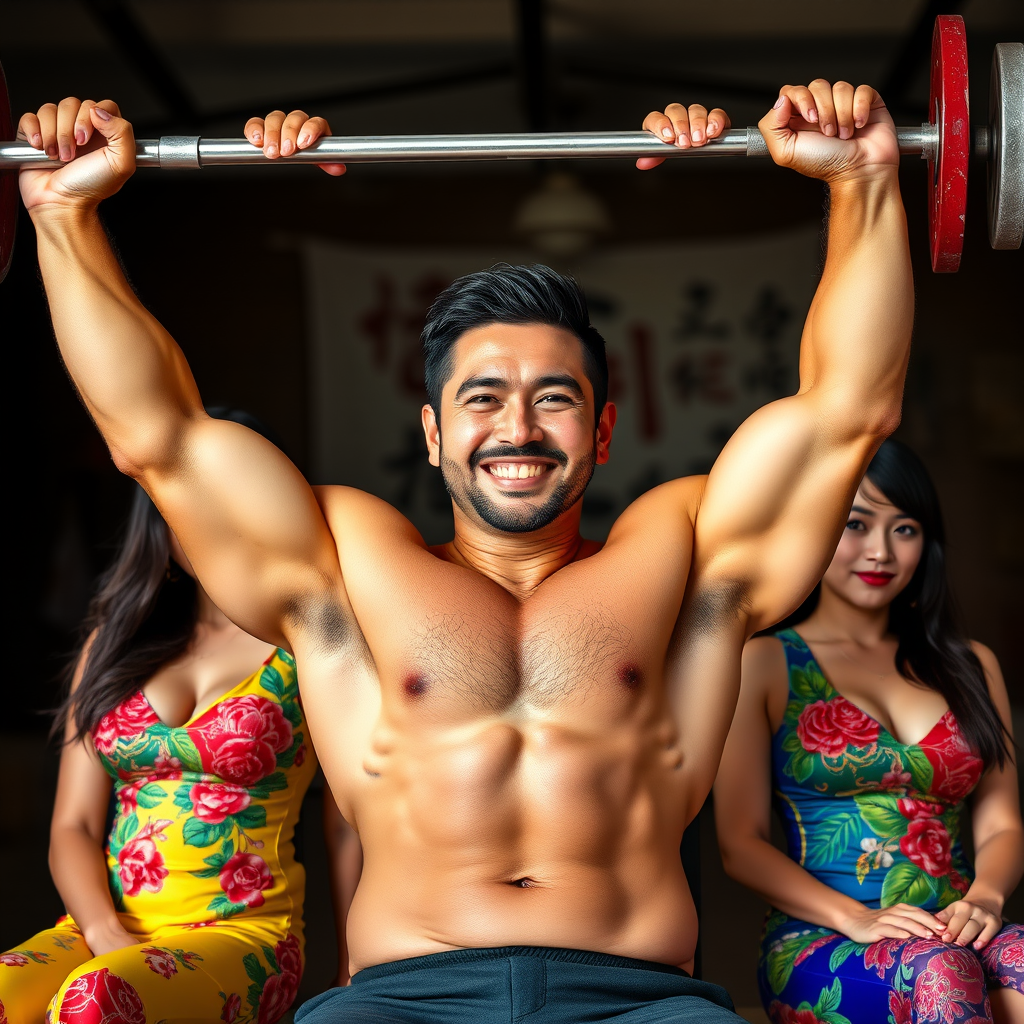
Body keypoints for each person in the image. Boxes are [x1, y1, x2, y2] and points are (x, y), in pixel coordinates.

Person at [15, 77, 915, 1023]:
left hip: (641, 1003)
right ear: (435, 433)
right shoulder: (347, 564)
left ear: (603, 431)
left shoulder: (683, 560)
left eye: (554, 398)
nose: (517, 428)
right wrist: (65, 215)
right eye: (482, 399)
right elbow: (157, 437)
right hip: (402, 1000)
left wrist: (862, 181)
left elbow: (848, 411)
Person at [0, 410, 318, 1024]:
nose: (213, 520)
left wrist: (358, 970)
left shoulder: (308, 643)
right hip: (104, 927)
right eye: (190, 498)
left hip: (243, 935)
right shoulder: (113, 640)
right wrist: (102, 930)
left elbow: (349, 820)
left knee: (96, 1000)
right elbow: (72, 824)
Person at [714, 440, 1023, 1024]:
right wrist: (854, 917)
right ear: (815, 527)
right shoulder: (767, 662)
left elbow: (1003, 822)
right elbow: (741, 843)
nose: (880, 551)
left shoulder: (972, 664)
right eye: (855, 524)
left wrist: (986, 896)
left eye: (904, 529)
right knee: (942, 974)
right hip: (824, 936)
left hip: (957, 926)